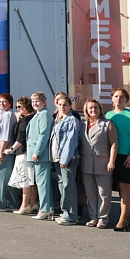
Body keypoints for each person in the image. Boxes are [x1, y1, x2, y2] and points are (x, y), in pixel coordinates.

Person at [107, 88, 130, 231]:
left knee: (124, 186)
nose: (118, 99)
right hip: (115, 156)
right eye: (116, 96)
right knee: (121, 190)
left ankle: (122, 222)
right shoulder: (108, 115)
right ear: (112, 98)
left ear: (126, 100)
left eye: (122, 97)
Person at [80, 99, 118, 229]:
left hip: (103, 163)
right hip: (86, 163)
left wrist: (111, 161)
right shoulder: (82, 124)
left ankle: (103, 218)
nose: (93, 110)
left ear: (100, 109)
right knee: (90, 192)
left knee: (104, 193)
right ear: (86, 110)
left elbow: (114, 144)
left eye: (95, 108)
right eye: (90, 108)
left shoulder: (107, 124)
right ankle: (93, 217)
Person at [5, 96, 38, 215]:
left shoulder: (25, 119)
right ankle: (33, 203)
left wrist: (12, 149)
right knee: (31, 179)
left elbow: (21, 137)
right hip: (28, 152)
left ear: (26, 107)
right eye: (17, 106)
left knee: (25, 179)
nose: (17, 108)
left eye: (19, 106)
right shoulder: (31, 118)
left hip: (23, 152)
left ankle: (24, 205)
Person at [51, 95, 81, 225]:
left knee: (69, 186)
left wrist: (65, 159)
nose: (62, 107)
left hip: (67, 159)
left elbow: (71, 142)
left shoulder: (72, 120)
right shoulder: (58, 120)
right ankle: (65, 212)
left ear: (70, 107)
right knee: (62, 184)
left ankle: (71, 215)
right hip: (57, 158)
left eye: (65, 105)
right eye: (60, 104)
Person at [27, 92, 54, 220]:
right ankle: (47, 208)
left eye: (37, 101)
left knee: (42, 183)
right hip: (37, 155)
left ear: (44, 101)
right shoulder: (38, 114)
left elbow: (43, 135)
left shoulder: (44, 115)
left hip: (41, 155)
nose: (35, 104)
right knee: (41, 182)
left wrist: (37, 152)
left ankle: (45, 209)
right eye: (33, 101)